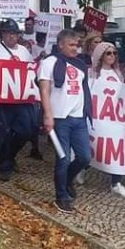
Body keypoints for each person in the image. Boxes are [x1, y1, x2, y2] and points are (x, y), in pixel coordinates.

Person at [39, 29, 93, 213]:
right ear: (61, 44)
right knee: (63, 157)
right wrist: (47, 115)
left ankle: (67, 180)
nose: (75, 49)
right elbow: (44, 90)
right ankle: (61, 195)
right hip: (60, 117)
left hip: (78, 118)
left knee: (84, 156)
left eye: (77, 45)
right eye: (71, 45)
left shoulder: (80, 65)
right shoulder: (49, 63)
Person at [0, 19, 37, 182]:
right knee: (2, 132)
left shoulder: (24, 51)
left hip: (21, 100)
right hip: (0, 99)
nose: (12, 37)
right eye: (9, 34)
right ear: (3, 35)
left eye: (14, 34)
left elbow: (31, 71)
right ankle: (4, 166)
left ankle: (10, 155)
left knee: (26, 130)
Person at [89, 41, 125, 198]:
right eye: (108, 53)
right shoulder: (93, 74)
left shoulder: (117, 73)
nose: (112, 56)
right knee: (94, 146)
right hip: (98, 118)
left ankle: (116, 182)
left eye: (114, 53)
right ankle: (82, 168)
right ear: (100, 55)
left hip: (115, 119)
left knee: (117, 149)